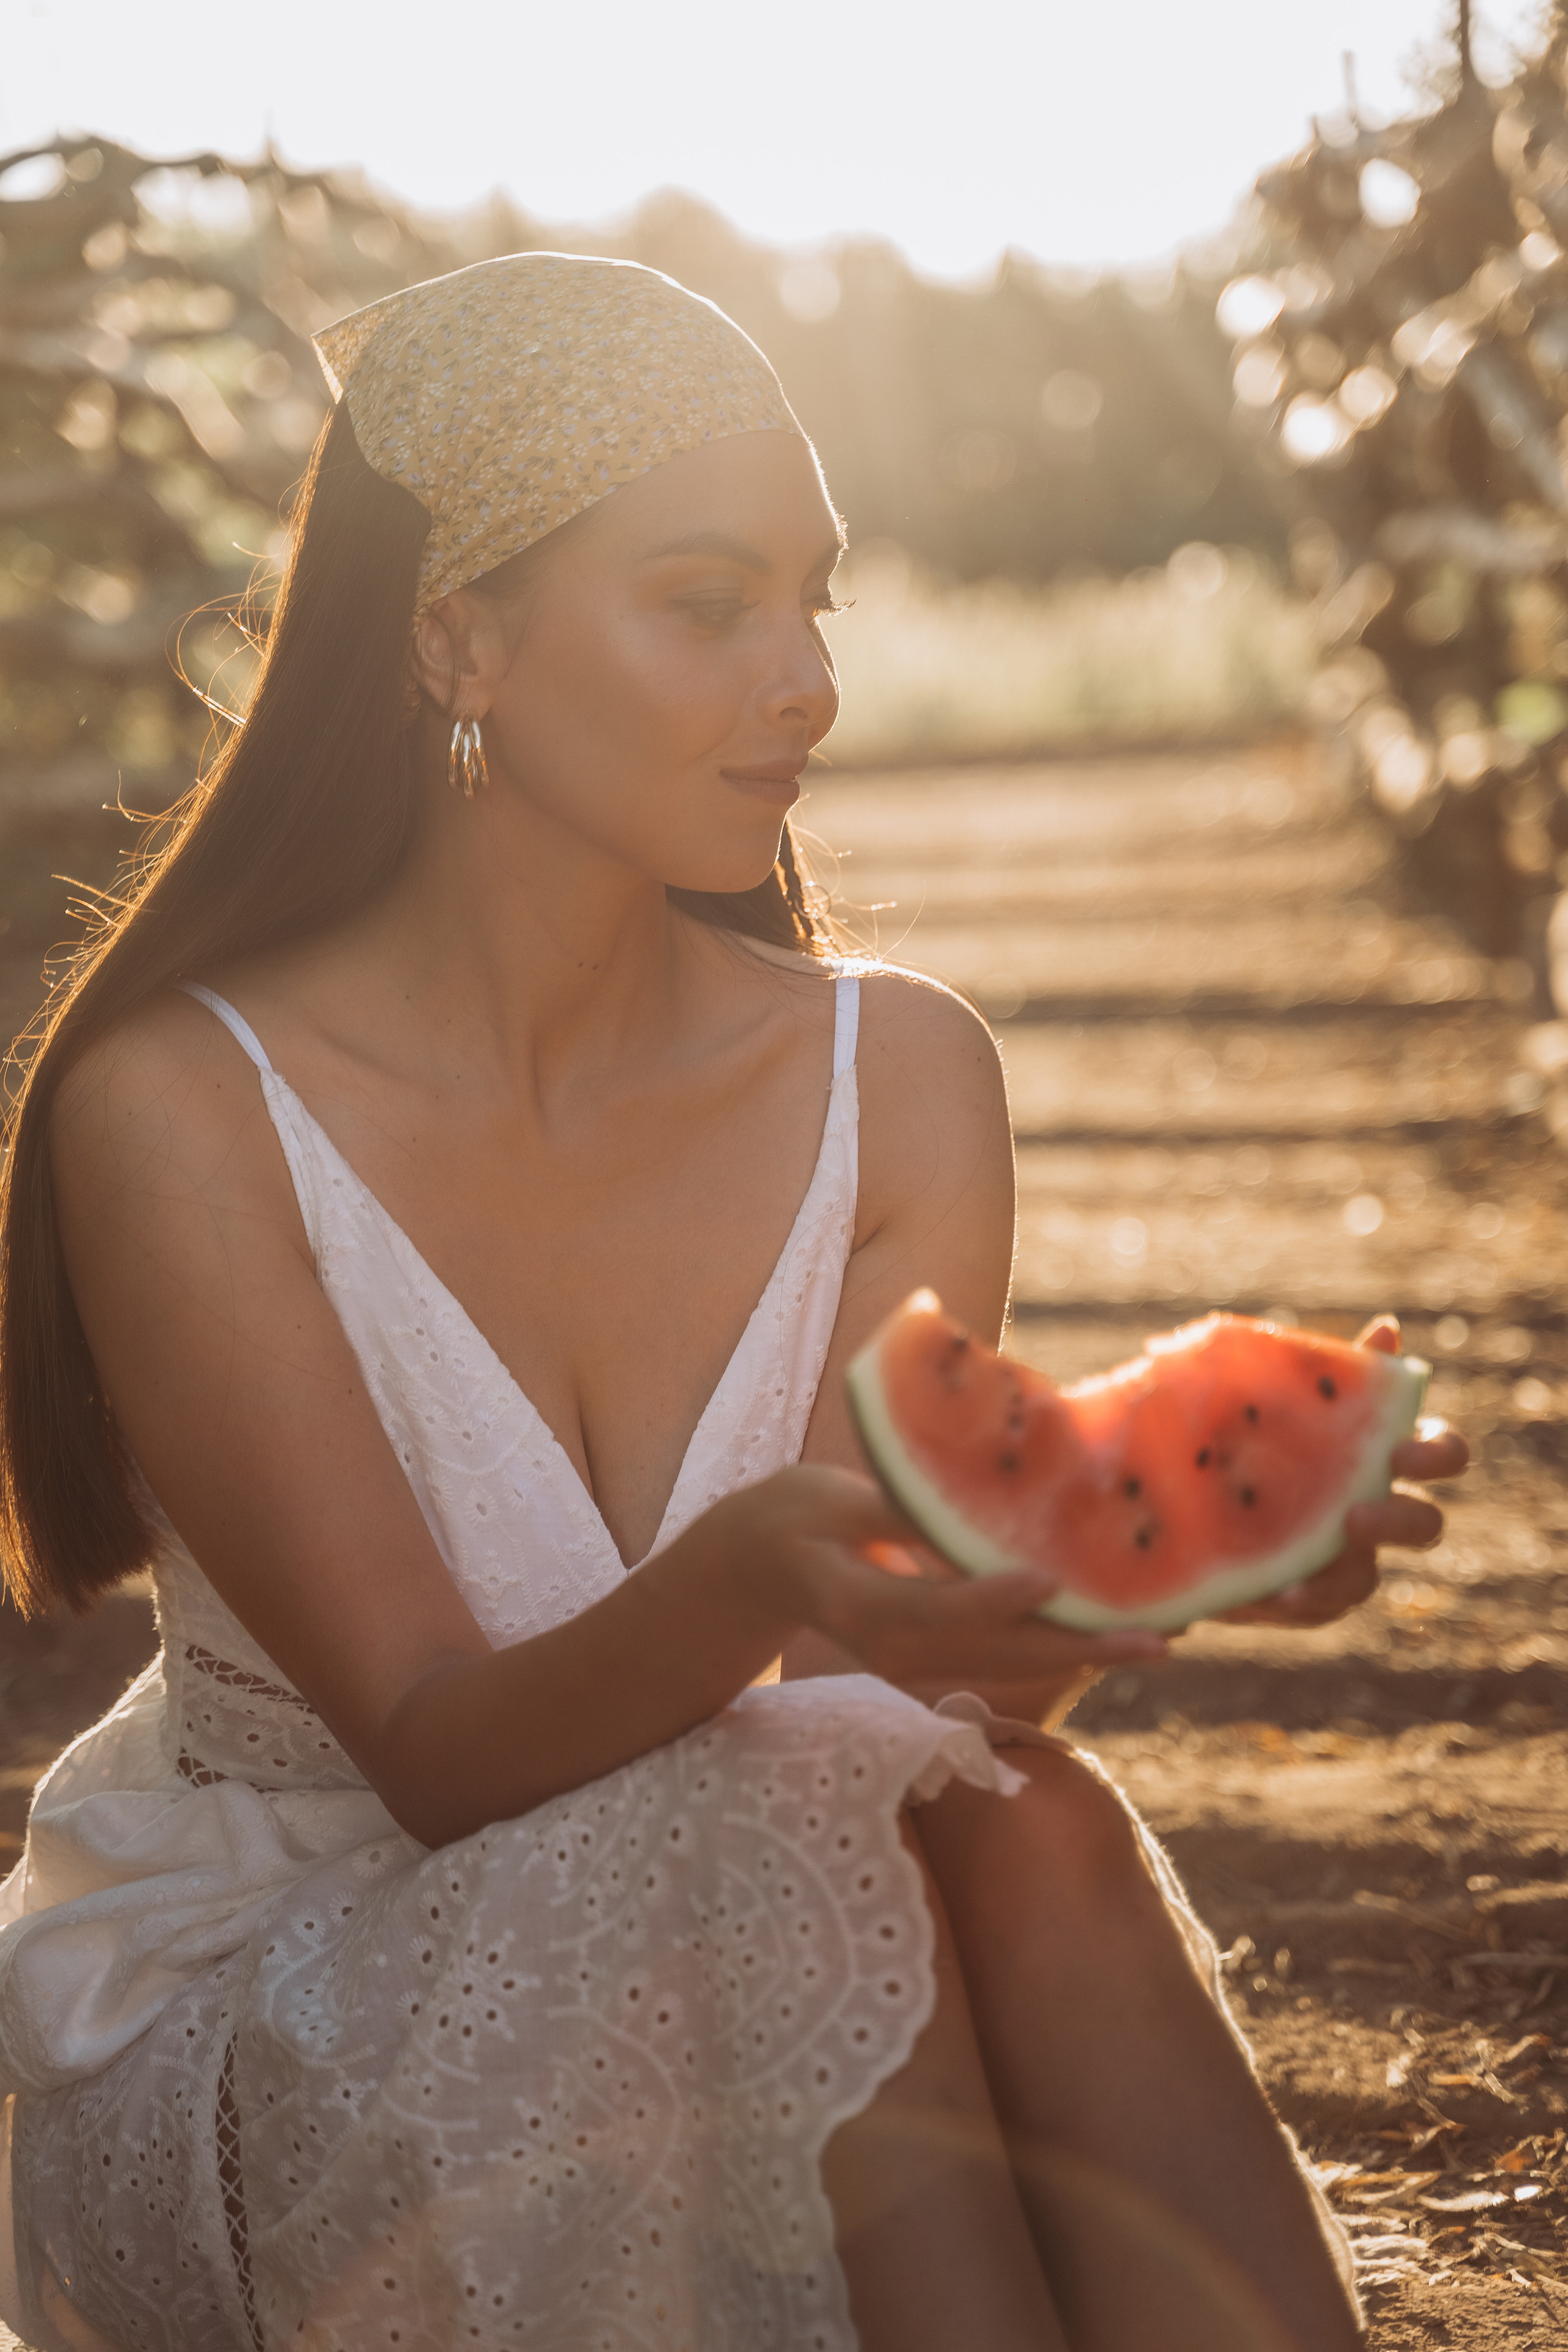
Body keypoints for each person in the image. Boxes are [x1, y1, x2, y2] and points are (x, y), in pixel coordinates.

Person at [0, 254, 1464, 2352]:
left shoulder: (905, 1074)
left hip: (752, 1895)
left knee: (1026, 1828)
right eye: (707, 606)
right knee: (790, 1857)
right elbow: (431, 1753)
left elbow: (911, 1713)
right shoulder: (181, 1112)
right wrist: (765, 1567)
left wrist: (1149, 1569)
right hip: (288, 1990)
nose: (804, 683)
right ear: (456, 636)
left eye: (818, 602)